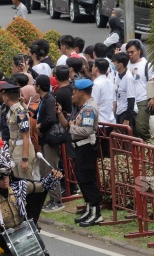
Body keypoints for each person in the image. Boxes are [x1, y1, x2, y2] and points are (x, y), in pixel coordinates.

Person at [58, 79, 103, 226]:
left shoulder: (89, 109)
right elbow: (71, 125)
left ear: (82, 92)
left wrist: (71, 128)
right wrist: (63, 117)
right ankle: (89, 209)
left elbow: (87, 130)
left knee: (88, 180)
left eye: (75, 91)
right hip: (80, 147)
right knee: (82, 180)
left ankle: (96, 213)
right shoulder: (82, 108)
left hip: (86, 148)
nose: (73, 94)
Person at [35, 74, 64, 213]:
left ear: (38, 86)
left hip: (51, 140)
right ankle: (51, 198)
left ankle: (57, 200)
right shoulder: (44, 99)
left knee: (52, 169)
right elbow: (37, 113)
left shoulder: (50, 99)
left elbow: (51, 119)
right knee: (45, 170)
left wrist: (39, 125)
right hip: (45, 140)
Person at [125, 40, 154, 141]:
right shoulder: (126, 65)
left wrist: (153, 98)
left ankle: (148, 145)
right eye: (128, 52)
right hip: (129, 101)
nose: (130, 55)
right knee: (130, 129)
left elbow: (153, 81)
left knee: (141, 128)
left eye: (132, 52)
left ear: (139, 51)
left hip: (143, 99)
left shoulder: (147, 65)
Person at [113, 52, 137, 128]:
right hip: (119, 111)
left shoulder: (128, 78)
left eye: (115, 62)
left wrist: (127, 119)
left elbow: (131, 99)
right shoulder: (117, 74)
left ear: (119, 65)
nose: (113, 64)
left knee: (127, 137)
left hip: (126, 113)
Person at [92, 58, 116, 124]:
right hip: (111, 121)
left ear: (96, 69)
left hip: (100, 123)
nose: (92, 68)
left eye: (93, 66)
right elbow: (114, 103)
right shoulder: (111, 82)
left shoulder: (96, 84)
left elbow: (94, 104)